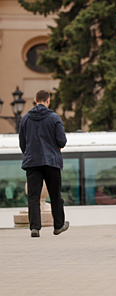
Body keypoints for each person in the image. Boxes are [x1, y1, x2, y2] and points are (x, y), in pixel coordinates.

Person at [19, 89, 69, 238]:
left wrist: (29, 153)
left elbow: (22, 143)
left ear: (35, 100)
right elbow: (62, 141)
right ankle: (58, 225)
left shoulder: (25, 118)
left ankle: (35, 228)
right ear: (48, 101)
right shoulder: (54, 118)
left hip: (32, 162)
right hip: (51, 161)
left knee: (33, 197)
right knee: (55, 195)